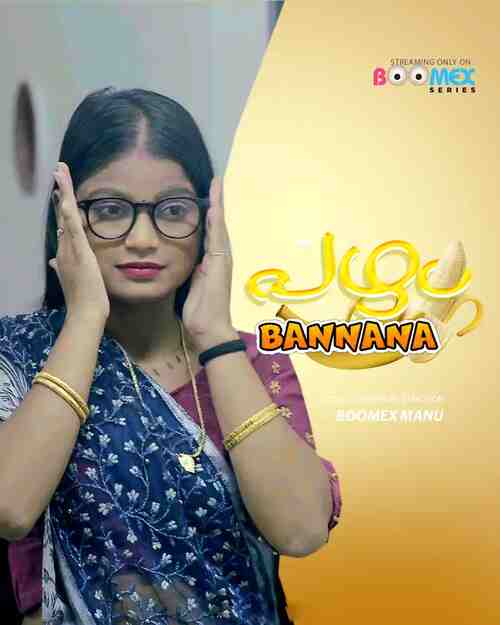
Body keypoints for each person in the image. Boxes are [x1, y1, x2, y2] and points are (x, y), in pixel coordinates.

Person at [0, 87, 342, 625]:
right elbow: (10, 506)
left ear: (208, 220)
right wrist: (85, 315)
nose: (142, 238)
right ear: (66, 215)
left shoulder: (249, 364)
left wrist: (216, 336)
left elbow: (300, 531)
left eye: (173, 210)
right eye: (110, 210)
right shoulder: (19, 353)